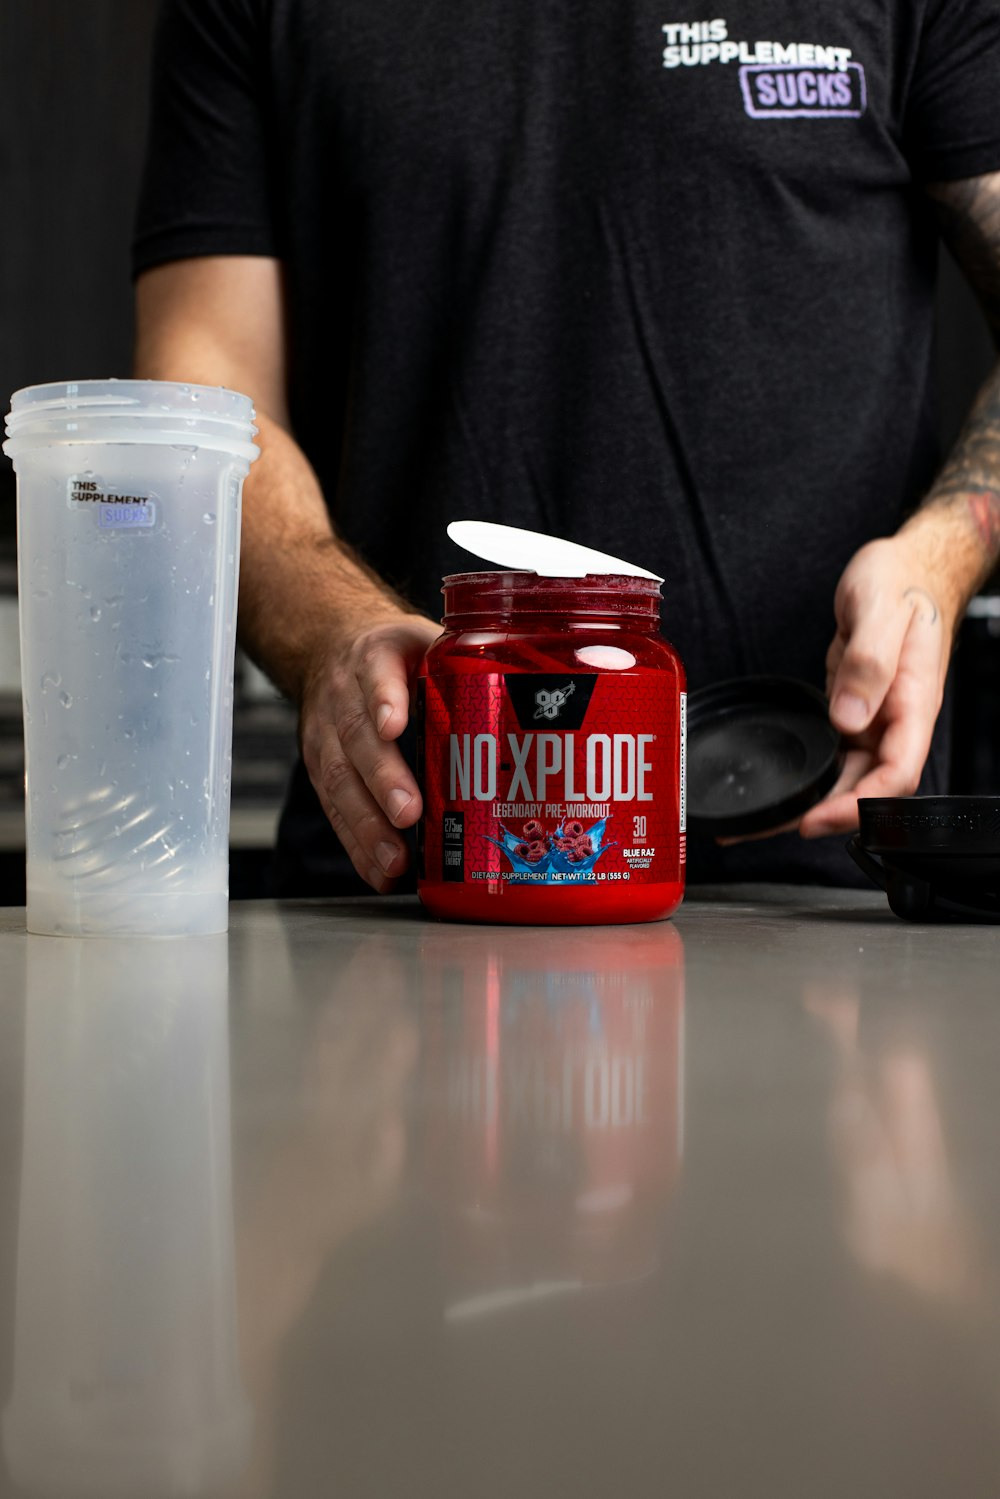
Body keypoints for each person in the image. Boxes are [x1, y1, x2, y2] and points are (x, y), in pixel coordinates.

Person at [132, 0, 1000, 896]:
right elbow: (198, 397)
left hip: (825, 878)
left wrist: (938, 558)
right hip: (415, 867)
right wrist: (329, 635)